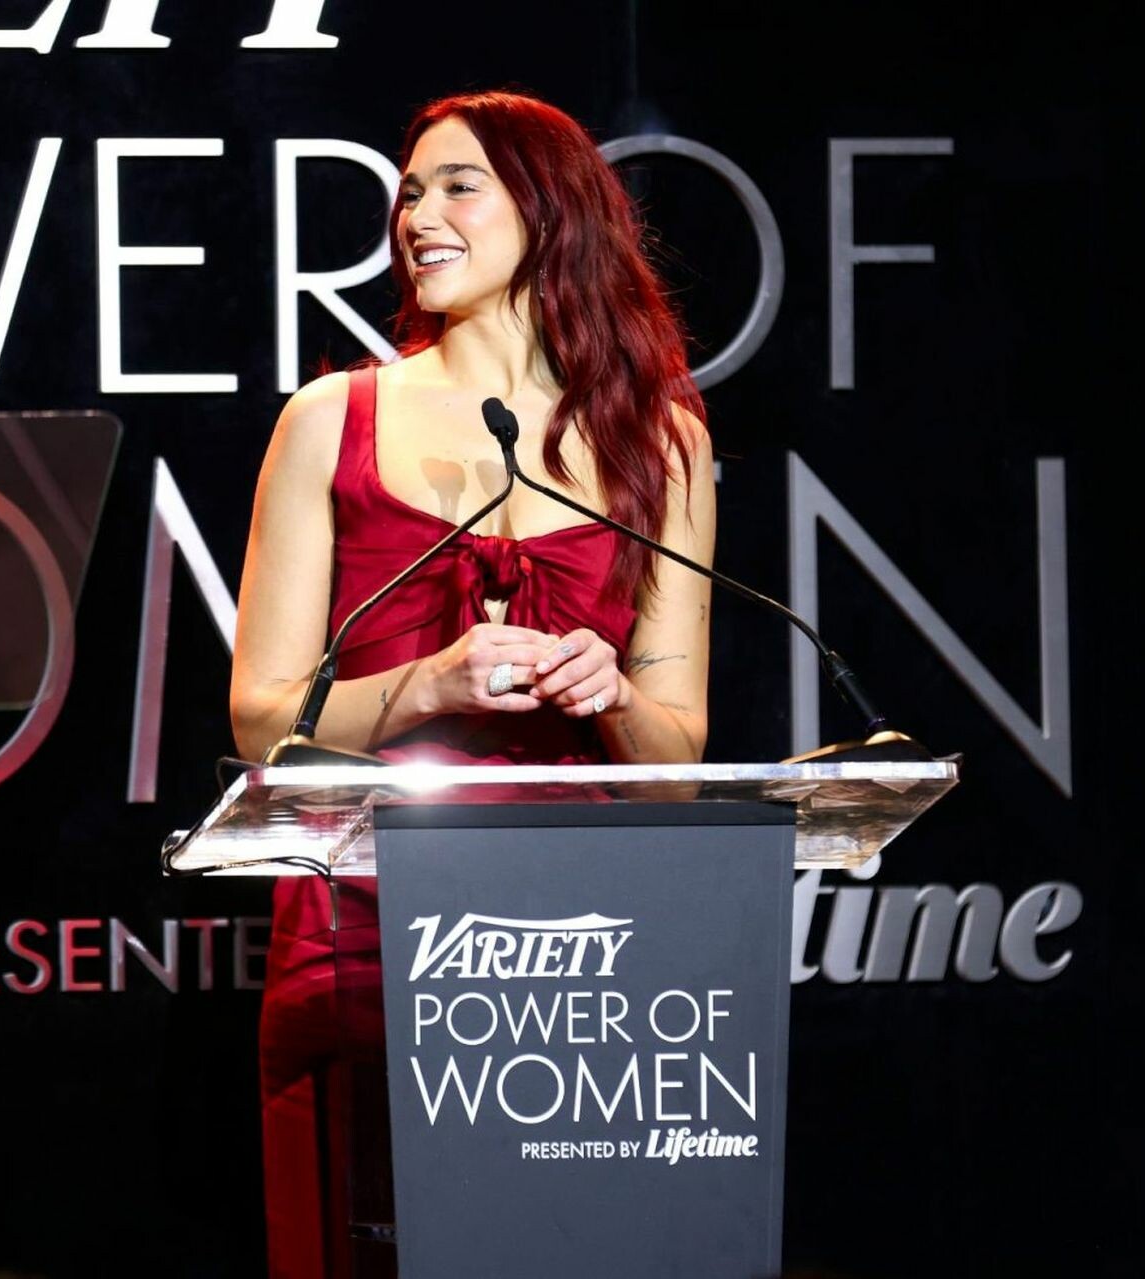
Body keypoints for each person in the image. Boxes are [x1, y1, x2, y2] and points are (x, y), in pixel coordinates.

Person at [229, 90, 715, 1279]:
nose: (418, 217)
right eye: (409, 193)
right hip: (364, 927)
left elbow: (675, 769)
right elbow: (261, 721)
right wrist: (425, 685)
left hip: (587, 956)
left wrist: (611, 694)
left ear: (552, 214)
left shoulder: (665, 443)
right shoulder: (329, 419)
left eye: (458, 186)